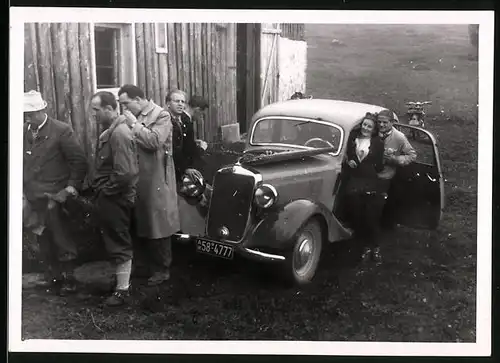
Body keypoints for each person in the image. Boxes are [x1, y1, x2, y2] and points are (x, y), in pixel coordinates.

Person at [23, 90, 88, 296]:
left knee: (62, 237)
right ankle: (53, 277)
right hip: (34, 195)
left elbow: (79, 161)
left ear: (43, 110)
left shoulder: (61, 130)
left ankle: (70, 279)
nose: (28, 118)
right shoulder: (24, 132)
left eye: (31, 113)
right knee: (42, 237)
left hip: (55, 195)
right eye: (25, 114)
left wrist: (70, 187)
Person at [118, 84, 180, 286]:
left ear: (138, 99)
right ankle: (143, 266)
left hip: (156, 178)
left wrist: (135, 125)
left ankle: (162, 269)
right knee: (139, 221)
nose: (124, 109)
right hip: (136, 177)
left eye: (126, 103)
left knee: (158, 223)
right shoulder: (130, 116)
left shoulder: (161, 115)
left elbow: (154, 142)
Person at [90, 91, 139, 306]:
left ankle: (122, 291)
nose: (94, 115)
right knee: (114, 239)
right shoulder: (112, 131)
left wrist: (105, 191)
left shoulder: (119, 133)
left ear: (109, 109)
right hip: (111, 195)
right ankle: (121, 284)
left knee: (119, 242)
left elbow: (125, 173)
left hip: (116, 197)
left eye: (96, 110)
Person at [343, 112, 387, 264]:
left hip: (369, 181)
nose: (366, 128)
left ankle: (374, 247)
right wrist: (351, 161)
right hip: (354, 180)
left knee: (370, 216)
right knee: (356, 215)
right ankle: (360, 247)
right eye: (364, 125)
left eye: (369, 126)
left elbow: (380, 165)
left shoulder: (377, 142)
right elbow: (348, 153)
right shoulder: (353, 138)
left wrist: (370, 168)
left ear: (373, 129)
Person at [376, 108, 417, 233]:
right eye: (379, 122)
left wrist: (396, 159)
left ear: (392, 122)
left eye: (385, 122)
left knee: (382, 203)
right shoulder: (373, 132)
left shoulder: (399, 137)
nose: (381, 125)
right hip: (370, 174)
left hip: (386, 176)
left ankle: (383, 226)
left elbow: (412, 155)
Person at [165, 90, 204, 182]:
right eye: (176, 101)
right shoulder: (166, 121)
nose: (180, 104)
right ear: (168, 104)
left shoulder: (183, 121)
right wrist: (185, 168)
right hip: (173, 170)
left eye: (182, 102)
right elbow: (173, 149)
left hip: (185, 168)